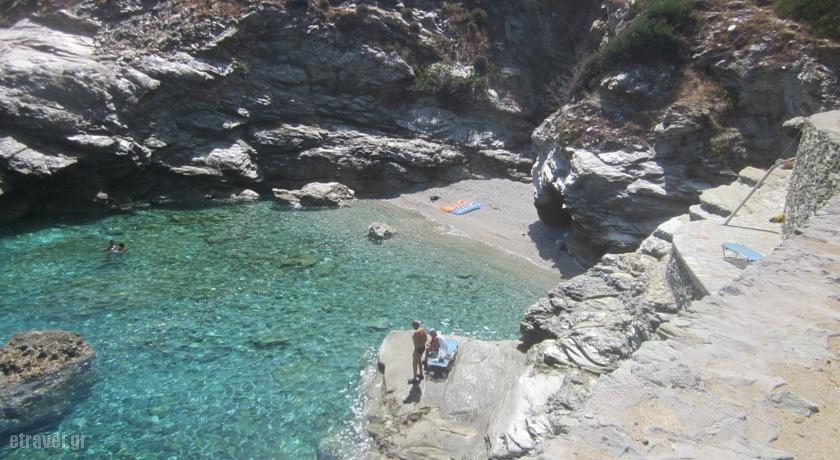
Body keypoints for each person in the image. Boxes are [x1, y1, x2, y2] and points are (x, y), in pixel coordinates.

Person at [410, 320, 427, 384]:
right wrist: (422, 345)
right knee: (419, 360)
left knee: (414, 363)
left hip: (418, 349)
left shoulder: (416, 333)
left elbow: (416, 345)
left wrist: (415, 352)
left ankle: (414, 378)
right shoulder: (423, 329)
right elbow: (425, 338)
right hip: (422, 348)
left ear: (414, 326)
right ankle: (421, 374)